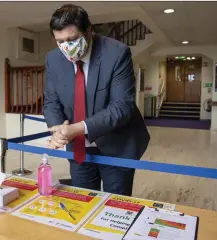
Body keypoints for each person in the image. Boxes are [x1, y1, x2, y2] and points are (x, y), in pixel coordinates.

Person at [43, 4, 150, 196]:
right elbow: (51, 101)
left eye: (72, 39)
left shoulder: (117, 53)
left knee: (115, 206)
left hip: (117, 145)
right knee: (83, 202)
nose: (66, 47)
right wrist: (58, 128)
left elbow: (121, 107)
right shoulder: (53, 59)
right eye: (60, 41)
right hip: (78, 149)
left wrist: (77, 128)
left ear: (89, 30)